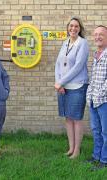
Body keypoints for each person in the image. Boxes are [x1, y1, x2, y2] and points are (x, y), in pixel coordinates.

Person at [54, 17, 89, 159]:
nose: (73, 28)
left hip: (77, 85)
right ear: (67, 28)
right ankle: (70, 148)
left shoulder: (83, 43)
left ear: (80, 29)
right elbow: (58, 64)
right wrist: (59, 83)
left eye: (76, 26)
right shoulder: (65, 42)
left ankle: (77, 150)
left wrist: (61, 82)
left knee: (76, 118)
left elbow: (78, 66)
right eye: (71, 26)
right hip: (63, 87)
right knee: (68, 118)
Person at [86, 25, 107, 170]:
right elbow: (92, 78)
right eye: (96, 34)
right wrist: (89, 94)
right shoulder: (95, 55)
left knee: (106, 132)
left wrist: (99, 93)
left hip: (104, 101)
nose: (98, 37)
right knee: (96, 130)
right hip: (93, 100)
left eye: (101, 34)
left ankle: (104, 160)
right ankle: (96, 156)